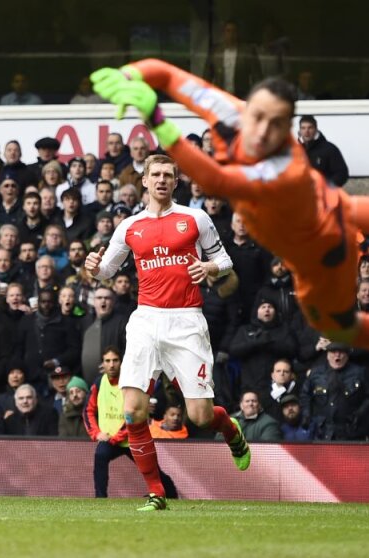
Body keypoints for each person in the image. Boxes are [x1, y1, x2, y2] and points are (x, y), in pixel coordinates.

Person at [89, 59, 369, 376]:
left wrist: (155, 114)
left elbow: (210, 176)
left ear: (289, 129)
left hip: (326, 249)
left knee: (350, 211)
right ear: (245, 109)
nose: (262, 129)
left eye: (276, 124)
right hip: (309, 263)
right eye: (257, 116)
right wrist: (129, 75)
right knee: (342, 329)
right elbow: (163, 70)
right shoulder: (228, 112)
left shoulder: (278, 168)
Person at [85, 153, 245, 511]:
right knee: (133, 412)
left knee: (201, 417)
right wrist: (93, 267)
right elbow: (107, 270)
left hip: (187, 322)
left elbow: (225, 261)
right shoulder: (129, 226)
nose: (161, 180)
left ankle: (230, 429)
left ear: (176, 182)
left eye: (168, 175)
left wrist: (210, 267)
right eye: (155, 174)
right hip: (146, 320)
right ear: (144, 180)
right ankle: (157, 491)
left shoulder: (195, 218)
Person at [83, 347, 177, 499]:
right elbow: (87, 410)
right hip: (110, 439)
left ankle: (171, 494)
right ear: (103, 364)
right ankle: (100, 498)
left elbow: (134, 414)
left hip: (132, 438)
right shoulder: (99, 383)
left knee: (153, 470)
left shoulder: (130, 383)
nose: (111, 365)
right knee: (100, 456)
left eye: (115, 360)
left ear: (122, 363)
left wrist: (116, 437)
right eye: (108, 361)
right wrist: (96, 434)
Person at [297, 115, 349, 187]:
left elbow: (341, 173)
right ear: (300, 131)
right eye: (303, 128)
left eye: (310, 128)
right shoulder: (294, 150)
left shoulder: (329, 149)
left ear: (315, 129)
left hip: (323, 194)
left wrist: (326, 187)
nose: (306, 131)